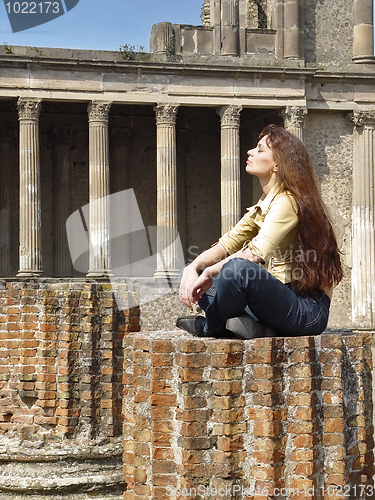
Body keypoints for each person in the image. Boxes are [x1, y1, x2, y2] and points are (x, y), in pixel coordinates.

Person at [176, 124, 343, 339]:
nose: (250, 152)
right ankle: (257, 326)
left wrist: (209, 272)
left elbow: (254, 254)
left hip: (307, 310)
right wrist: (195, 268)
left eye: (260, 149)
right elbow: (228, 243)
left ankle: (211, 326)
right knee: (196, 271)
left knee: (237, 271)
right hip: (278, 301)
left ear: (277, 165)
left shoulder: (287, 201)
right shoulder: (265, 202)